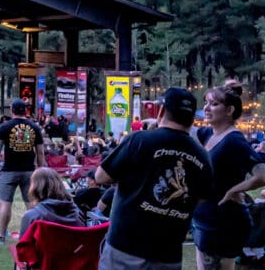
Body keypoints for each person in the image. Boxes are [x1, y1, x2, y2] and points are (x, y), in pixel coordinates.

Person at [95, 87, 213, 270]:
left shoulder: (139, 140)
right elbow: (202, 198)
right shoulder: (203, 156)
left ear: (161, 111)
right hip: (168, 253)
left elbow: (101, 176)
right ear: (191, 119)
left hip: (125, 247)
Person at [192, 81, 265, 270]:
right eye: (206, 103)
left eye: (214, 104)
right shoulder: (209, 133)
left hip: (222, 222)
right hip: (206, 218)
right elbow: (184, 129)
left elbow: (261, 174)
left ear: (230, 110)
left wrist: (234, 190)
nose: (206, 108)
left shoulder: (234, 140)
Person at [0, 97, 46, 243]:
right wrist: (42, 171)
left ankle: (1, 236)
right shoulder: (34, 127)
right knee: (32, 204)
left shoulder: (5, 127)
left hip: (9, 170)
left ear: (12, 110)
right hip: (29, 171)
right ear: (25, 110)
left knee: (6, 203)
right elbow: (40, 153)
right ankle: (34, 237)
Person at [18, 166, 82, 236]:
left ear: (35, 187)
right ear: (59, 184)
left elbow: (23, 246)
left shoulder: (32, 216)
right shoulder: (77, 214)